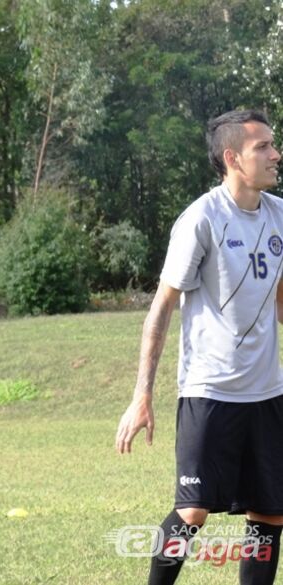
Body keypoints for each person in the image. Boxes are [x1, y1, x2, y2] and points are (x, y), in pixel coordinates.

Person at [116, 109, 283, 585]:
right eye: (264, 147)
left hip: (268, 394)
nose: (276, 154)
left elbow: (281, 302)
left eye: (273, 145)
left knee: (270, 515)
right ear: (233, 158)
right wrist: (141, 395)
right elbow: (162, 308)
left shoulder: (279, 217)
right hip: (210, 392)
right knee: (192, 512)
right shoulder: (201, 220)